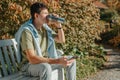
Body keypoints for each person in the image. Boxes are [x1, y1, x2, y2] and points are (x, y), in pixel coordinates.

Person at [15, 2, 76, 80]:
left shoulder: (45, 29)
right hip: (29, 66)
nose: (48, 16)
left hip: (44, 62)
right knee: (45, 67)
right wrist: (57, 61)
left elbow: (61, 40)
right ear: (36, 15)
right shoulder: (27, 31)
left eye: (48, 13)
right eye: (45, 13)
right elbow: (32, 58)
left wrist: (59, 25)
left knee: (71, 60)